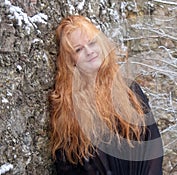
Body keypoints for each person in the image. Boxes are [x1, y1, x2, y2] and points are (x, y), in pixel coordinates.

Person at [49, 15, 163, 175]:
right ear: (70, 60)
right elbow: (68, 166)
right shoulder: (68, 107)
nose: (89, 52)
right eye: (78, 49)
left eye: (92, 43)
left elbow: (153, 146)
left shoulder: (129, 89)